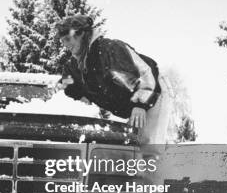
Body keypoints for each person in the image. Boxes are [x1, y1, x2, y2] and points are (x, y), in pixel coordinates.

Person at [56, 14, 172, 144]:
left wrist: (140, 105)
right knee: (126, 147)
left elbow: (145, 74)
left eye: (67, 39)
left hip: (152, 90)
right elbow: (67, 85)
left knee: (147, 146)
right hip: (125, 105)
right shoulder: (74, 66)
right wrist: (74, 92)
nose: (65, 45)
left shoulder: (109, 51)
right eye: (62, 41)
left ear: (82, 34)